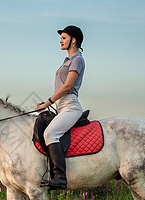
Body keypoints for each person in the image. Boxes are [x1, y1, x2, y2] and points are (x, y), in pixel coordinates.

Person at [36, 25, 85, 190]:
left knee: (50, 133)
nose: (60, 41)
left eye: (64, 38)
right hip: (61, 106)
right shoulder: (67, 61)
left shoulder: (77, 59)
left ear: (74, 40)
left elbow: (66, 87)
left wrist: (46, 103)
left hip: (70, 106)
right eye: (61, 38)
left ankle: (60, 177)